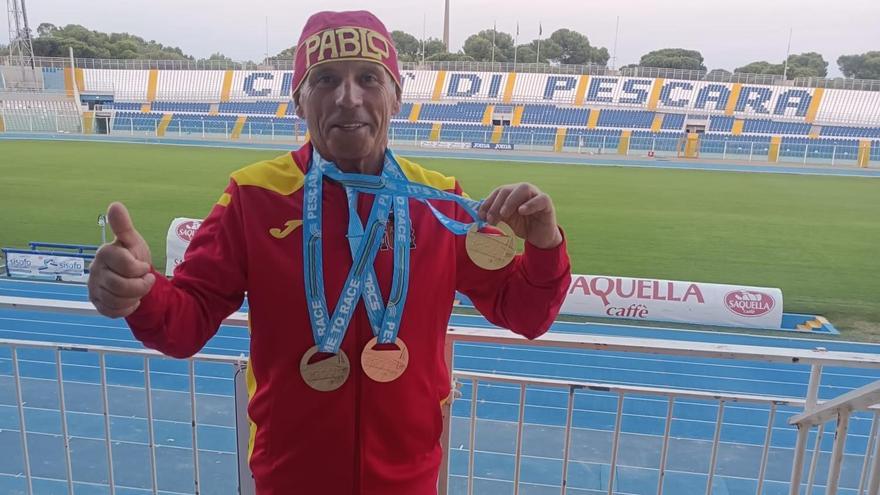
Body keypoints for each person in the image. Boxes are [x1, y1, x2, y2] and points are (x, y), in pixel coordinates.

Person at [88, 10, 571, 495]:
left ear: (397, 97)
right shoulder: (254, 197)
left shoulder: (439, 201)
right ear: (299, 101)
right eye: (325, 80)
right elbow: (184, 324)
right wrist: (141, 292)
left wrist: (545, 245)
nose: (348, 97)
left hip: (407, 479)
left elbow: (526, 313)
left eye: (368, 78)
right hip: (291, 477)